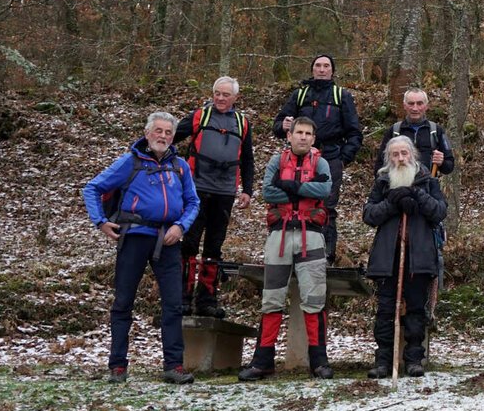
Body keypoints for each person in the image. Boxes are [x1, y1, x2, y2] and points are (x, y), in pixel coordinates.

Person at [82, 112, 200, 385]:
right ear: (147, 133)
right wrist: (100, 222)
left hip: (168, 240)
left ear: (173, 137)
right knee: (123, 302)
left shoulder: (180, 166)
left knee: (174, 304)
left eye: (168, 132)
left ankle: (174, 366)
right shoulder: (130, 162)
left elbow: (193, 202)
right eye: (158, 131)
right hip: (134, 237)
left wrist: (180, 227)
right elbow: (92, 188)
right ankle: (117, 366)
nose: (163, 136)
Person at [239, 117, 332, 382]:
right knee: (272, 298)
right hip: (279, 235)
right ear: (289, 136)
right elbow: (268, 193)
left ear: (313, 138)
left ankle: (319, 362)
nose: (303, 137)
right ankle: (262, 361)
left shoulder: (321, 163)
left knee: (314, 298)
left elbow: (325, 189)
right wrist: (304, 191)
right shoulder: (276, 161)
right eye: (298, 132)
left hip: (310, 236)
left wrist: (290, 186)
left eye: (308, 133)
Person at [364, 135, 448, 378]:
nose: (400, 158)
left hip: (418, 256)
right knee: (386, 309)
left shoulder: (428, 180)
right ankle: (383, 360)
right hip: (388, 256)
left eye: (404, 153)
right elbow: (369, 215)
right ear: (389, 158)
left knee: (415, 309)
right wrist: (392, 202)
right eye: (395, 154)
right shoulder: (382, 182)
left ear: (412, 154)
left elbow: (440, 211)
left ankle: (414, 359)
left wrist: (417, 196)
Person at [173, 76, 254, 318]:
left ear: (235, 97)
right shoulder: (200, 116)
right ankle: (182, 298)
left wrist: (247, 190)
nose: (220, 98)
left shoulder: (242, 123)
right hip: (196, 190)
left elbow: (247, 159)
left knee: (214, 247)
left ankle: (206, 300)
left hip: (225, 192)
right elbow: (170, 138)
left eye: (225, 94)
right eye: (217, 93)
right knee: (189, 243)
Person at [273, 54, 363, 259]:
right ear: (312, 69)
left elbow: (354, 132)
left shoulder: (341, 96)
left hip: (330, 157)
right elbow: (278, 125)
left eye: (326, 66)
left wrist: (343, 159)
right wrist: (283, 126)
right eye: (318, 66)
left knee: (326, 206)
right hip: (299, 158)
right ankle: (294, 251)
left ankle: (326, 255)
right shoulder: (300, 95)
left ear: (332, 71)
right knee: (296, 203)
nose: (322, 70)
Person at [372, 86, 456, 176]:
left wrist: (441, 162)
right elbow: (380, 165)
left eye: (419, 103)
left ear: (426, 106)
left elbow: (449, 167)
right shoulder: (394, 131)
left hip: (428, 183)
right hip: (400, 184)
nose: (415, 108)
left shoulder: (436, 131)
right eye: (411, 104)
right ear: (404, 106)